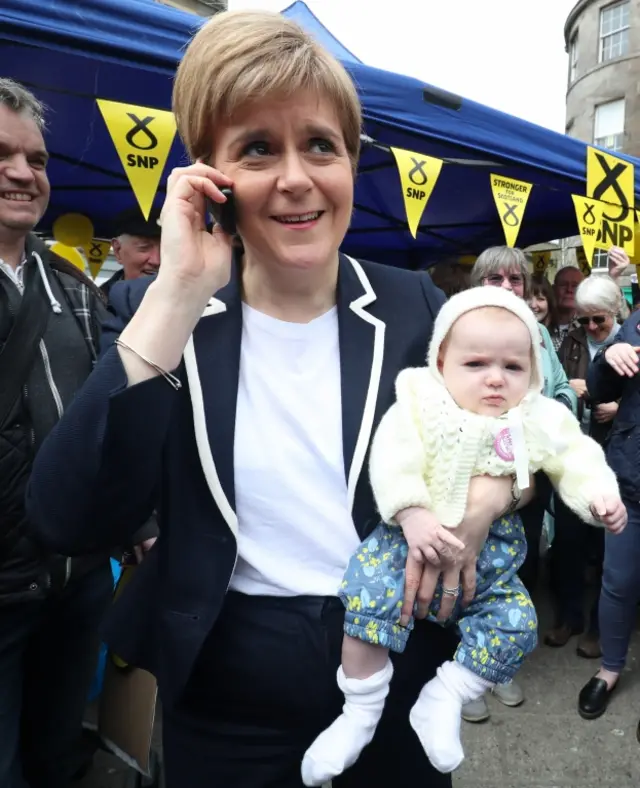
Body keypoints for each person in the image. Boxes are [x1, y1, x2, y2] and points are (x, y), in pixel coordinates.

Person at [24, 12, 530, 788]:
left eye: (320, 145)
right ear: (209, 175)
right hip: (227, 690)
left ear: (350, 163)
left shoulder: (416, 305)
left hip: (392, 663)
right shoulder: (154, 311)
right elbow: (69, 518)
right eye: (258, 148)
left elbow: (521, 433)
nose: (296, 177)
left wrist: (484, 506)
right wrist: (178, 296)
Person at [302, 286, 626, 784]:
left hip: (492, 562)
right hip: (408, 542)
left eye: (513, 368)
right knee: (366, 603)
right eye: (476, 364)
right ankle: (359, 712)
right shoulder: (422, 401)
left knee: (518, 623)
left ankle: (446, 697)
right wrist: (410, 511)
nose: (495, 379)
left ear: (533, 372)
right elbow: (393, 453)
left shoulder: (536, 416)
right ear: (442, 362)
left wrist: (599, 495)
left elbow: (575, 456)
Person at [0, 78, 114, 787]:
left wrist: (139, 518)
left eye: (36, 159)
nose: (22, 173)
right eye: (2, 155)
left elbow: (109, 415)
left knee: (56, 758)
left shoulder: (72, 285)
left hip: (76, 581)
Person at [462, 246, 576, 721]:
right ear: (477, 285)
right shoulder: (456, 331)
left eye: (516, 281)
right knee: (466, 571)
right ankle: (464, 675)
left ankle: (496, 666)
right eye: (497, 280)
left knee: (515, 571)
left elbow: (562, 387)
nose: (509, 289)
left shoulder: (540, 339)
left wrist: (561, 411)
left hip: (527, 480)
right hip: (471, 479)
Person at [546, 276, 623, 657]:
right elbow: (554, 386)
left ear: (616, 314)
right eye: (584, 320)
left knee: (608, 547)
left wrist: (620, 407)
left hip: (615, 458)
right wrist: (569, 390)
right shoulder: (571, 342)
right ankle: (569, 616)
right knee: (568, 542)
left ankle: (597, 626)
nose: (591, 328)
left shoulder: (630, 343)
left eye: (599, 321)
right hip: (573, 455)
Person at [578, 306, 640, 720]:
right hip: (632, 481)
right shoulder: (636, 320)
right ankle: (610, 669)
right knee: (617, 582)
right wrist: (612, 353)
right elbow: (598, 391)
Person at [100, 207, 161, 300]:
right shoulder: (93, 306)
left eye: (166, 249)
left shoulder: (188, 303)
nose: (156, 261)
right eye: (144, 247)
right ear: (117, 250)